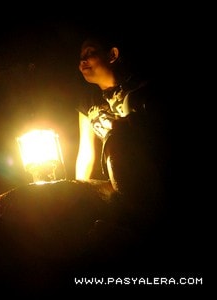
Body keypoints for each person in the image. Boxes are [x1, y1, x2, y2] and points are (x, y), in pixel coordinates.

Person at [75, 30, 170, 227]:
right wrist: (77, 191)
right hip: (113, 178)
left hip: (147, 175)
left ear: (112, 55)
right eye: (80, 57)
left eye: (90, 53)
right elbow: (86, 152)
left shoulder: (139, 89)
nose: (82, 60)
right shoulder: (87, 102)